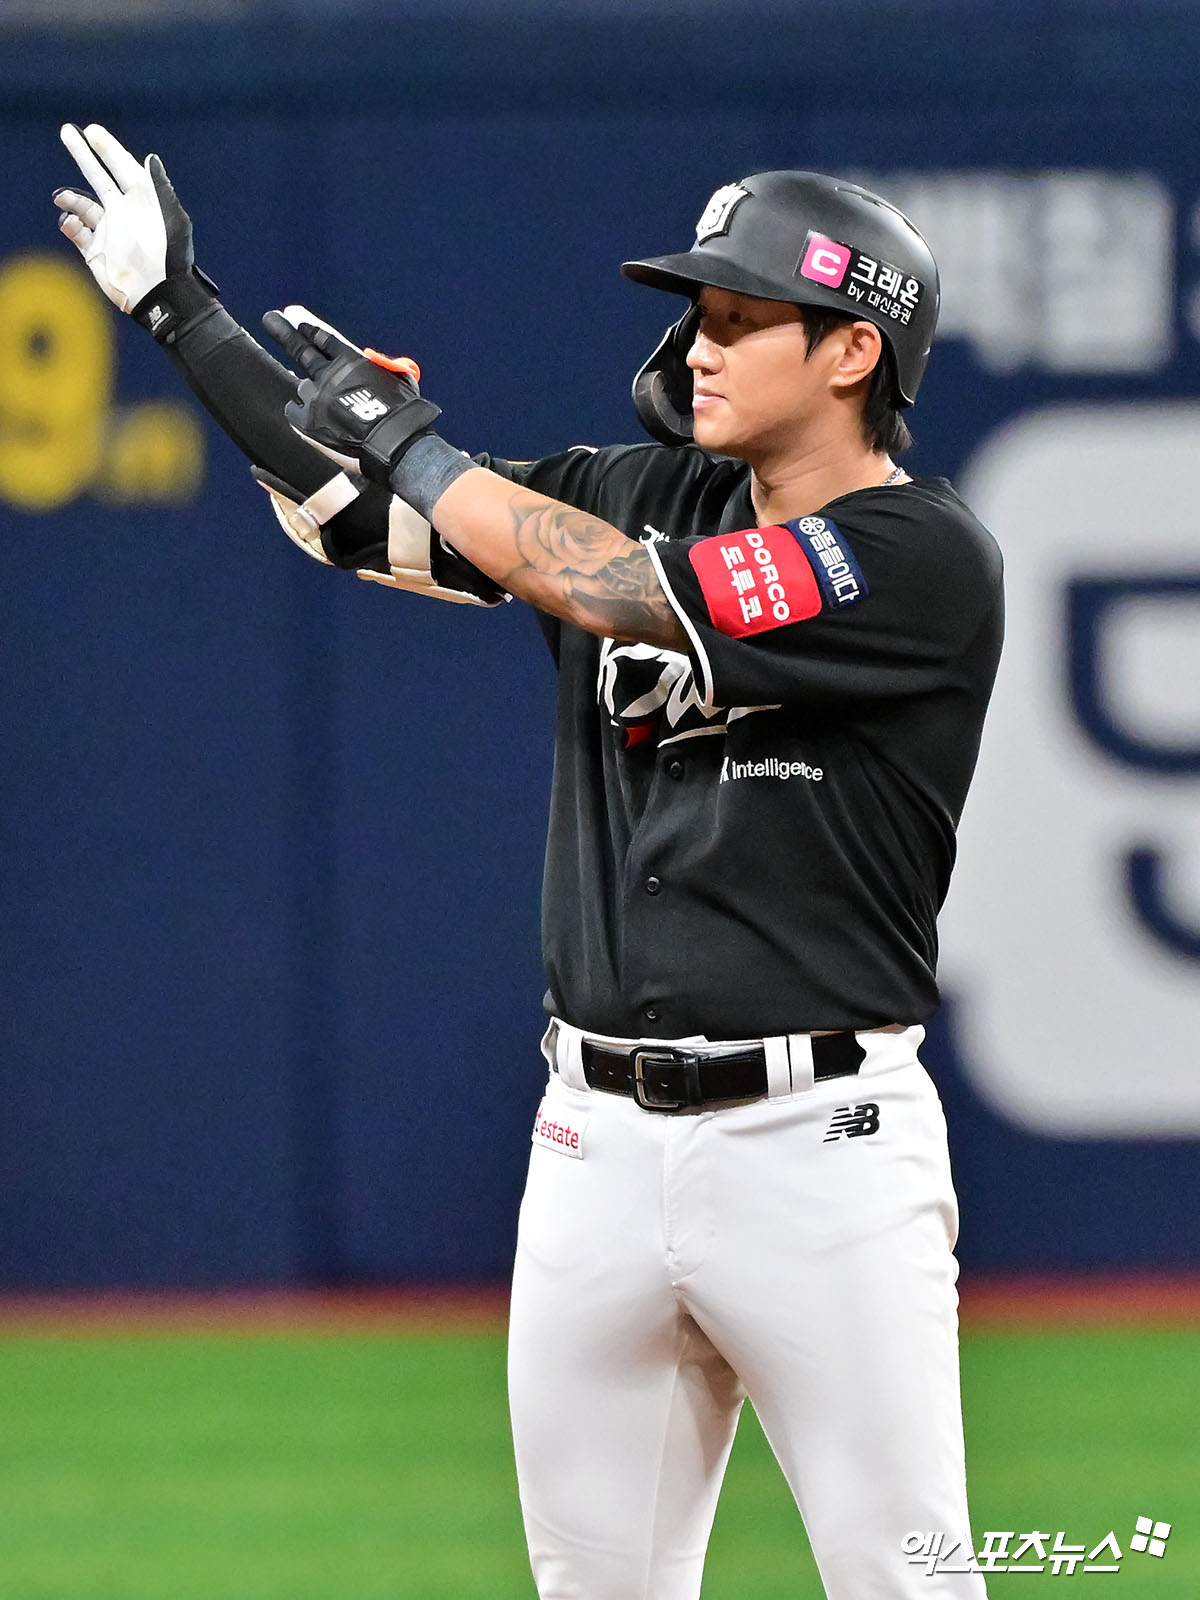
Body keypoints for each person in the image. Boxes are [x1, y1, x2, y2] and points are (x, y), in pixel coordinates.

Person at [56, 127, 1003, 1599]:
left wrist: (413, 443)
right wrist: (188, 316)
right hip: (593, 1145)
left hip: (822, 1147)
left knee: (908, 1581)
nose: (699, 342)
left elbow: (612, 588)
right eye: (699, 309)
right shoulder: (641, 488)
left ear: (851, 352)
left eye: (742, 315)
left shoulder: (921, 553)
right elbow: (368, 519)